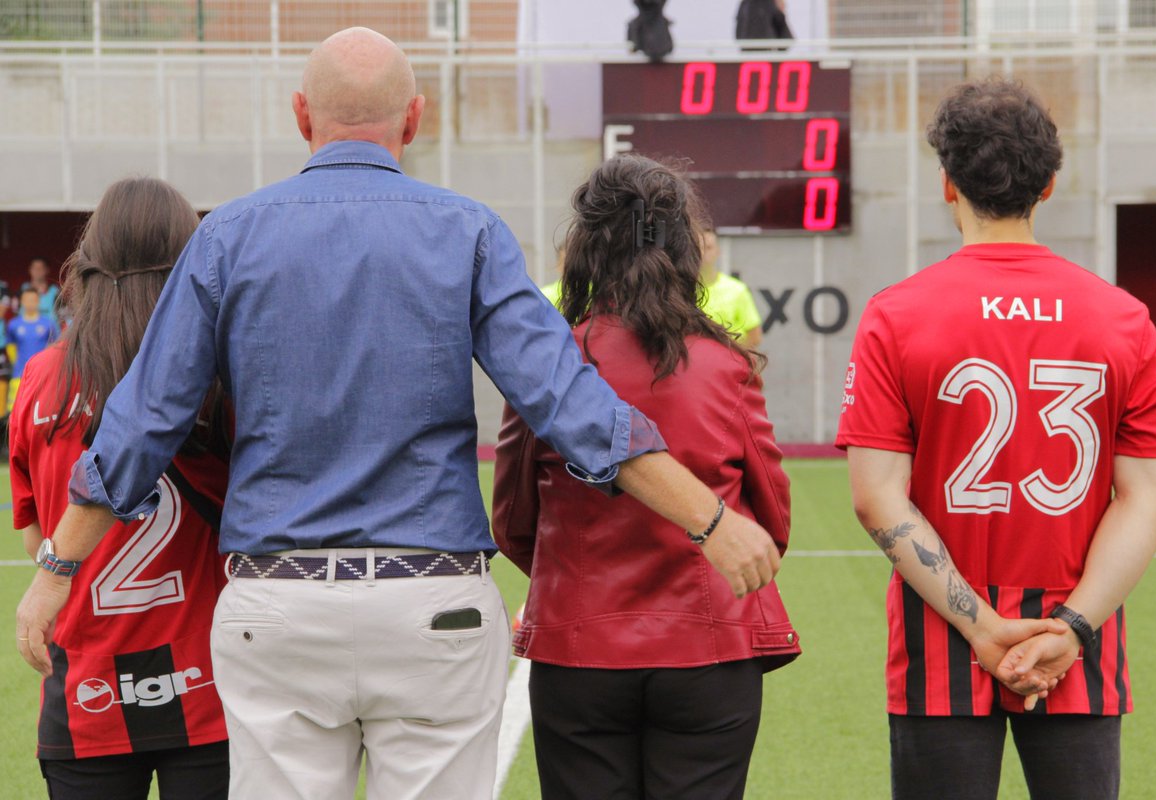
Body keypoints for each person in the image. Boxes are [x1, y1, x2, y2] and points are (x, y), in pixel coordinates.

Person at [15, 27, 781, 800]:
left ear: (300, 116)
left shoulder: (227, 237)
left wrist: (55, 576)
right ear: (413, 120)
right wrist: (711, 521)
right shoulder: (469, 230)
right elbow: (573, 407)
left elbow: (141, 426)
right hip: (431, 606)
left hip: (277, 605)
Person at [835, 77, 1156, 800]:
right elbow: (1150, 499)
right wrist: (1070, 630)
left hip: (944, 641)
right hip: (1077, 640)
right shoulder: (1124, 319)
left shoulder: (896, 316)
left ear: (947, 182)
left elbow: (875, 498)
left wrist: (985, 628)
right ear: (1050, 185)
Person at [493, 155, 797, 800]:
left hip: (580, 648)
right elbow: (771, 518)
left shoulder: (554, 359)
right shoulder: (723, 364)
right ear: (685, 247)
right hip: (709, 645)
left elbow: (513, 520)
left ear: (585, 248)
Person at [9, 178, 230, 799]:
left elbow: (35, 537)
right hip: (214, 685)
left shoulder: (43, 378)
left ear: (89, 263)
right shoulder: (221, 372)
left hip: (88, 691)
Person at [699, 226, 764, 347]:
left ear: (717, 251)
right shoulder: (681, 291)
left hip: (727, 362)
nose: (703, 253)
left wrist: (726, 353)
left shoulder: (737, 290)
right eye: (698, 248)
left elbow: (755, 337)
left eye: (708, 247)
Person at [8, 284, 59, 410]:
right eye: (27, 299)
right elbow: (10, 346)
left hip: (42, 376)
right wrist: (18, 363)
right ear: (22, 301)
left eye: (33, 299)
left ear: (38, 301)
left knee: (40, 410)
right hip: (19, 375)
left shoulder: (48, 324)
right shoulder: (13, 324)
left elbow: (54, 346)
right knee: (14, 410)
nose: (30, 303)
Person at [28, 256, 61, 325]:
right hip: (27, 334)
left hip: (50, 333)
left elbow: (63, 317)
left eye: (40, 268)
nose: (37, 271)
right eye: (35, 268)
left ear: (47, 270)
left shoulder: (56, 292)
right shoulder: (22, 291)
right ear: (30, 270)